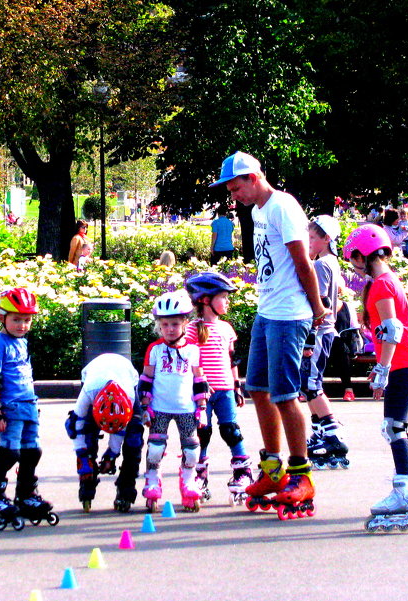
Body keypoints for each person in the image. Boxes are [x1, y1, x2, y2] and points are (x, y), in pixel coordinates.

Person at [211, 151, 327, 518]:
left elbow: (302, 262)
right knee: (257, 388)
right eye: (230, 190)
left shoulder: (282, 207)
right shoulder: (259, 211)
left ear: (255, 177)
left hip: (289, 314)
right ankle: (273, 467)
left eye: (237, 187)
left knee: (285, 394)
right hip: (267, 310)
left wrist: (319, 308)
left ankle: (300, 473)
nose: (235, 196)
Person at [343, 224, 408, 531]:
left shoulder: (382, 284)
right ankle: (407, 491)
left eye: (353, 258)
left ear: (362, 255)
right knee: (395, 427)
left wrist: (381, 370)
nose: (353, 266)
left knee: (394, 427)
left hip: (403, 360)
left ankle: (404, 493)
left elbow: (391, 330)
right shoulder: (386, 279)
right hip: (407, 360)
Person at [0, 288, 56, 531]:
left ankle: (26, 494)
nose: (22, 325)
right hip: (10, 407)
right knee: (9, 453)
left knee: (32, 452)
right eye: (16, 319)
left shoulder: (22, 342)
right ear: (2, 317)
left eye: (27, 320)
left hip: (28, 405)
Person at [183, 271, 254, 504]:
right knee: (202, 433)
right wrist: (198, 383)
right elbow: (191, 361)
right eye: (222, 297)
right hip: (202, 392)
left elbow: (231, 360)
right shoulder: (192, 329)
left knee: (231, 430)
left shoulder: (226, 328)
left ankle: (242, 473)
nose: (227, 301)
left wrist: (237, 386)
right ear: (205, 300)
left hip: (224, 390)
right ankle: (198, 475)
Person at [139, 290, 208, 513]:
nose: (170, 329)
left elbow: (199, 380)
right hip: (159, 408)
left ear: (185, 323)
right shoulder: (155, 349)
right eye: (165, 324)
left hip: (186, 409)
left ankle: (188, 482)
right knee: (155, 449)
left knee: (191, 450)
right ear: (159, 325)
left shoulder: (192, 350)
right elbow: (147, 379)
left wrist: (202, 408)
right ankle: (152, 481)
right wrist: (145, 406)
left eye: (175, 324)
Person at [65, 352, 145, 513]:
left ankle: (126, 487)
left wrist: (111, 455)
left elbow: (120, 427)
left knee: (134, 439)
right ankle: (87, 483)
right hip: (93, 375)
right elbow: (75, 426)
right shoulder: (89, 391)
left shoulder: (128, 397)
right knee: (88, 434)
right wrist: (83, 458)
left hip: (127, 378)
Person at [302, 215, 352, 469]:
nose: (308, 242)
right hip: (326, 331)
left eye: (313, 238)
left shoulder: (321, 265)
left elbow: (320, 302)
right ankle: (318, 434)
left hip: (320, 332)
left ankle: (333, 434)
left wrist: (309, 339)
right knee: (310, 383)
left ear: (326, 239)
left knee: (311, 385)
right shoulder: (331, 263)